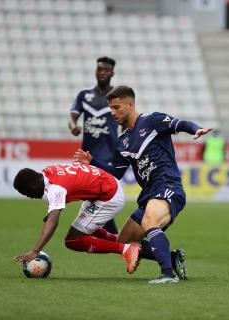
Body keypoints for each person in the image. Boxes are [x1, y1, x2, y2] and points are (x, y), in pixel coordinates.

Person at [74, 85, 213, 284]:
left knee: (150, 222)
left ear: (131, 105)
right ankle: (173, 258)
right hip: (148, 195)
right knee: (124, 242)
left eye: (116, 107)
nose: (112, 113)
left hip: (168, 187)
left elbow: (179, 124)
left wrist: (196, 129)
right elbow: (117, 173)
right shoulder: (122, 142)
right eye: (110, 108)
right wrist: (92, 163)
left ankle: (168, 275)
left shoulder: (152, 121)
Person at [12, 163, 140, 274]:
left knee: (73, 240)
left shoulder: (55, 188)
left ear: (33, 188)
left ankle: (126, 249)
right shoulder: (48, 171)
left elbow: (53, 221)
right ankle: (117, 239)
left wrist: (36, 250)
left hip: (109, 196)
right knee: (81, 228)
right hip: (104, 185)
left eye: (28, 194)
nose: (30, 197)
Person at [68, 56, 120, 234]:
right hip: (88, 156)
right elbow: (73, 116)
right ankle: (112, 236)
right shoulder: (85, 95)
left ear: (112, 72)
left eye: (106, 70)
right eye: (99, 69)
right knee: (95, 195)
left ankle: (111, 236)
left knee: (100, 194)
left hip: (110, 155)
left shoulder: (117, 96)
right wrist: (74, 126)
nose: (102, 72)